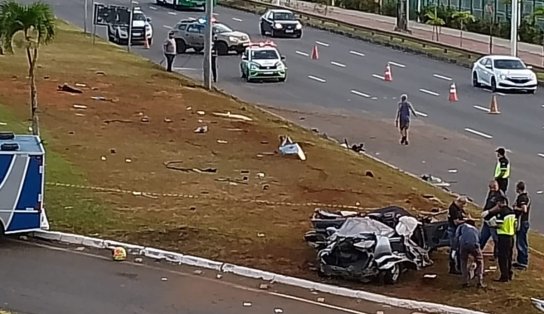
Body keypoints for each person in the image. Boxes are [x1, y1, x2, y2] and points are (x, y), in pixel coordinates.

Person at [481, 195, 517, 282]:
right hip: (511, 236)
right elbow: (515, 224)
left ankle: (504, 276)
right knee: (509, 256)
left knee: (502, 257)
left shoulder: (502, 213)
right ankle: (509, 273)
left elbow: (498, 224)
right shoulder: (511, 211)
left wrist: (491, 224)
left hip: (503, 236)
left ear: (500, 203)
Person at [453, 219, 486, 288]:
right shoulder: (476, 230)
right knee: (479, 261)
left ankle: (465, 282)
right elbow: (479, 239)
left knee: (463, 261)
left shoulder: (461, 227)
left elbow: (456, 238)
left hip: (463, 245)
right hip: (474, 245)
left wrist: (454, 249)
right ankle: (480, 281)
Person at [479, 180, 505, 260]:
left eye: (494, 187)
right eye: (491, 188)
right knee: (482, 238)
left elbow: (499, 206)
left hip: (493, 221)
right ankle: (478, 252)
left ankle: (497, 256)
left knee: (496, 239)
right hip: (487, 221)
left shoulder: (500, 195)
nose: (493, 189)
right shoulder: (491, 193)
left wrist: (489, 211)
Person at [447, 196, 469, 274]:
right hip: (453, 230)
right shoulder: (453, 209)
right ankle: (452, 267)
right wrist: (465, 221)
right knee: (454, 249)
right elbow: (455, 222)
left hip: (457, 230)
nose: (462, 207)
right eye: (462, 205)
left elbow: (463, 213)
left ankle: (460, 267)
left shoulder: (457, 207)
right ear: (460, 202)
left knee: (459, 248)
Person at [513, 181, 531, 270]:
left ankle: (523, 262)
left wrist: (515, 208)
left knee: (521, 242)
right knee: (520, 241)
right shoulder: (525, 197)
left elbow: (524, 209)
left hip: (522, 222)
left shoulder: (522, 198)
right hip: (523, 222)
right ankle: (520, 261)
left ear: (518, 188)